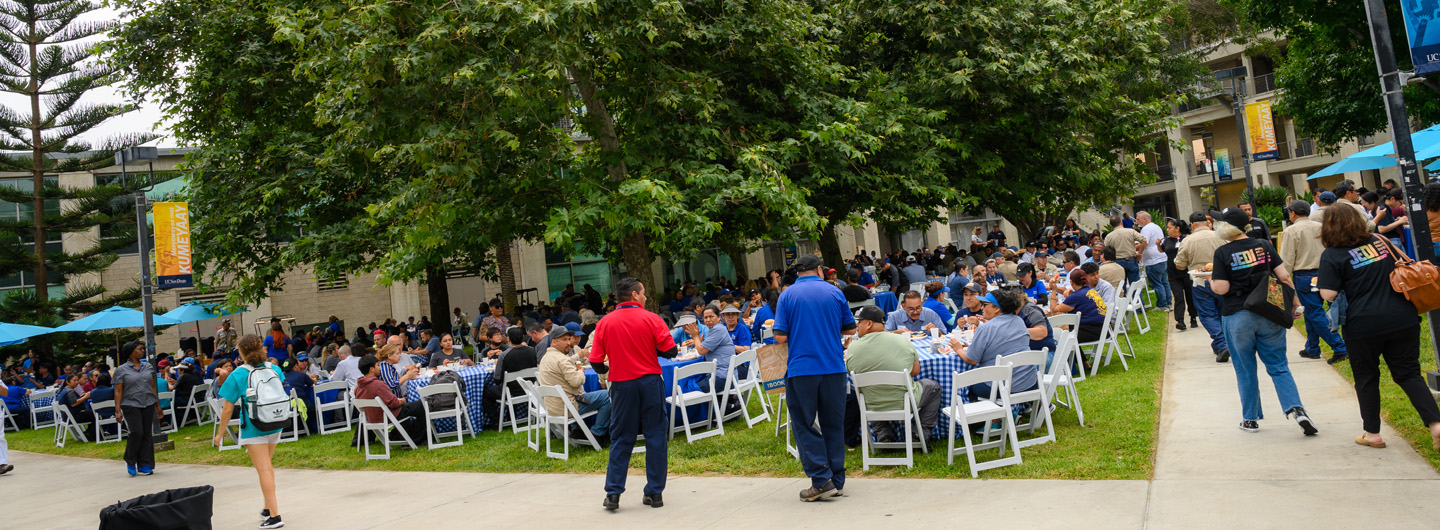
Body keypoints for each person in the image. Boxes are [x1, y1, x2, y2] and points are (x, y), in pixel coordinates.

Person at [1316, 204, 1440, 451]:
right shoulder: (1381, 240)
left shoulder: (1332, 255)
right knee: (1408, 374)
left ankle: (1372, 434)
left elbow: (1328, 294)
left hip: (1362, 325)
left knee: (1367, 378)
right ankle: (1436, 425)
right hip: (1402, 318)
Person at [1209, 207, 1315, 435]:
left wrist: (1210, 280)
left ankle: (1250, 419)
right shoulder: (1264, 245)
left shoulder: (1223, 253)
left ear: (1226, 227)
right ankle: (1297, 410)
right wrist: (1295, 304)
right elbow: (1284, 276)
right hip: (1270, 310)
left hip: (1238, 315)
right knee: (1278, 365)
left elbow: (1222, 287)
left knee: (1245, 369)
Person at [773, 254, 857, 501]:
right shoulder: (835, 291)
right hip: (833, 366)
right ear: (819, 270)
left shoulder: (787, 295)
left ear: (798, 272)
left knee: (804, 423)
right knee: (833, 423)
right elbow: (850, 328)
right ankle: (837, 480)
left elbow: (779, 336)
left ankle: (821, 479)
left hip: (802, 368)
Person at [589, 277, 677, 511]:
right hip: (649, 381)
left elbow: (595, 361)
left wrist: (608, 369)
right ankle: (655, 493)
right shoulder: (652, 319)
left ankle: (613, 494)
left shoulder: (604, 323)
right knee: (655, 435)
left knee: (621, 437)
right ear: (635, 295)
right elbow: (670, 350)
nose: (646, 297)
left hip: (621, 384)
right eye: (644, 293)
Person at [845, 305, 941, 443]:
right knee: (933, 387)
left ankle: (883, 434)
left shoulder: (853, 348)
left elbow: (850, 372)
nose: (857, 325)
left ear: (869, 324)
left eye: (859, 322)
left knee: (871, 391)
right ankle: (919, 434)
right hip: (904, 401)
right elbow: (915, 371)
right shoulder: (902, 340)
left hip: (871, 404)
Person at [1279, 200, 1347, 363]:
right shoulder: (1320, 226)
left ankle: (1340, 348)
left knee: (1315, 313)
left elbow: (1287, 259)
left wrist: (1283, 278)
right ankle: (1312, 347)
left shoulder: (1291, 230)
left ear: (1293, 213)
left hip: (1304, 275)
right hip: (1326, 272)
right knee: (1312, 312)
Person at [951, 290, 1037, 399]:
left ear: (997, 308)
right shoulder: (1019, 321)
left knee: (967, 385)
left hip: (1001, 386)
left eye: (985, 305)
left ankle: (993, 415)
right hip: (1028, 381)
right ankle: (1011, 412)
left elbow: (972, 360)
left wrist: (958, 349)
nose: (982, 307)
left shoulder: (985, 328)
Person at [537, 325, 611, 443]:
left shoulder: (546, 357)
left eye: (568, 339)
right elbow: (577, 381)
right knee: (607, 396)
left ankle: (577, 429)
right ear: (554, 342)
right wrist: (581, 372)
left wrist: (577, 357)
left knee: (579, 394)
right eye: (564, 340)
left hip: (552, 407)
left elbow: (564, 364)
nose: (568, 342)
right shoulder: (562, 359)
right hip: (568, 407)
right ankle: (597, 433)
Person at [1175, 211, 1230, 362]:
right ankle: (1222, 343)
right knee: (1222, 313)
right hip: (1222, 280)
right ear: (1207, 223)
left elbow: (1179, 265)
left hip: (1200, 282)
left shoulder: (1187, 241)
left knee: (1207, 315)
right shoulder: (1220, 236)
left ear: (1192, 225)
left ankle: (1221, 343)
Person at [352, 353, 427, 446]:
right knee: (423, 404)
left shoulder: (358, 387)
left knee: (414, 406)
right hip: (388, 415)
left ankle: (403, 435)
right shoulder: (378, 385)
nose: (380, 368)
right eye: (377, 365)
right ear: (371, 369)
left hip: (372, 418)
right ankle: (416, 439)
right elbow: (394, 403)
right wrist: (403, 400)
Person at [113, 341, 162, 477]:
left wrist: (157, 406)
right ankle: (130, 459)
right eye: (139, 349)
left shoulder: (148, 367)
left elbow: (153, 387)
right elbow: (118, 391)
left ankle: (144, 464)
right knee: (136, 432)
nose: (142, 351)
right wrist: (118, 410)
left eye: (142, 349)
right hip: (130, 404)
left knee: (146, 433)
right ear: (130, 352)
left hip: (148, 402)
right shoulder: (121, 370)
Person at [483, 327, 539, 429]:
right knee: (508, 386)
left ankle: (496, 422)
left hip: (512, 391)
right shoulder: (532, 351)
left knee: (486, 391)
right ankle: (510, 418)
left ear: (508, 339)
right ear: (523, 337)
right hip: (530, 388)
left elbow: (497, 379)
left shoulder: (504, 355)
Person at [685, 306, 735, 397]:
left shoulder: (718, 329)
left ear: (719, 317)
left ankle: (725, 407)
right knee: (696, 381)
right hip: (727, 375)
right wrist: (699, 341)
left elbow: (701, 350)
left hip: (723, 377)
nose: (708, 320)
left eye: (711, 316)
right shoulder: (716, 329)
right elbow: (704, 347)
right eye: (705, 317)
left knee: (690, 389)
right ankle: (728, 406)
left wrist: (695, 336)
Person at [1049, 270, 1107, 342]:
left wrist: (1054, 290)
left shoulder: (1076, 296)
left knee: (1060, 337)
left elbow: (1053, 309)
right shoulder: (1091, 291)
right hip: (1104, 328)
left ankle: (1075, 353)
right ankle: (1078, 353)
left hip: (1092, 331)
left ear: (1071, 282)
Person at [1162, 218, 1199, 332]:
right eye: (1167, 227)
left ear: (1177, 228)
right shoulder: (1167, 240)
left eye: (1169, 227)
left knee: (1190, 296)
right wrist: (1158, 244)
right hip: (1173, 273)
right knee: (1178, 297)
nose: (1167, 230)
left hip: (1185, 272)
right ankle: (1180, 321)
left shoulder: (1186, 239)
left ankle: (1193, 317)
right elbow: (1163, 250)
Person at [1137, 212, 1172, 310]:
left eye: (1138, 219)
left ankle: (1162, 304)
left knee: (1157, 283)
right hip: (1162, 257)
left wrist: (1139, 252)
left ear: (1144, 219)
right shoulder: (1156, 227)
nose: (1136, 221)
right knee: (1164, 281)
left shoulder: (1146, 229)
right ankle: (1168, 303)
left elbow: (1144, 242)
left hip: (1153, 260)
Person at [1103, 215, 1146, 286]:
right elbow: (1144, 241)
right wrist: (1140, 253)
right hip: (1131, 259)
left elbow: (1106, 249)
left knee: (1121, 286)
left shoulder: (1108, 236)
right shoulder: (1131, 231)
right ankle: (1137, 296)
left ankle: (1123, 296)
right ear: (1121, 222)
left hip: (1117, 261)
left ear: (1111, 225)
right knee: (1135, 286)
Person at [282, 356, 317, 435]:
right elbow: (313, 384)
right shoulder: (301, 375)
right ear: (295, 366)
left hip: (284, 404)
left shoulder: (281, 376)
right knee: (312, 409)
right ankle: (309, 429)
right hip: (299, 401)